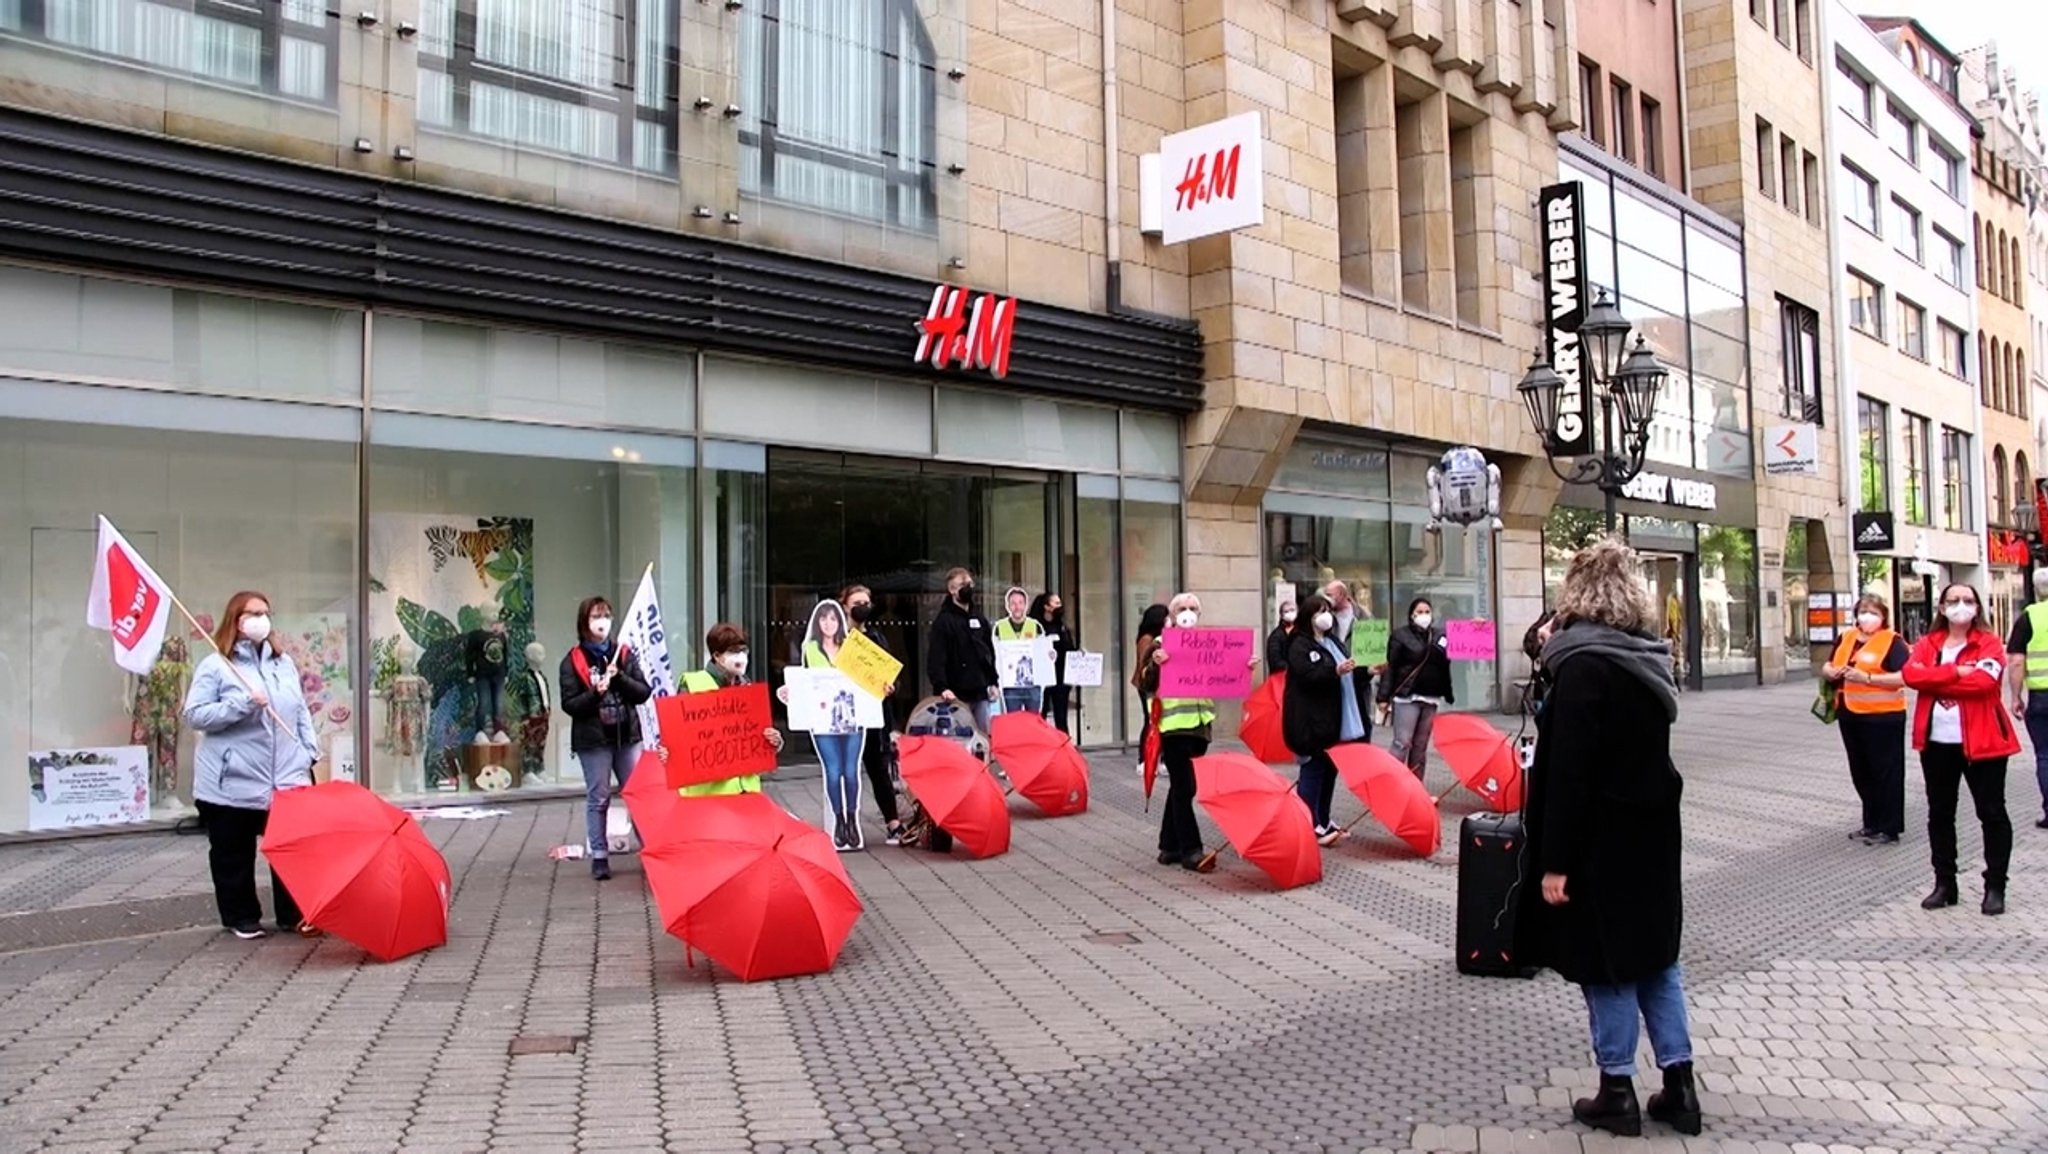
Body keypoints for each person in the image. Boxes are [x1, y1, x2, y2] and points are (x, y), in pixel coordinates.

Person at [1519, 538, 1698, 1138]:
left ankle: (1616, 1088)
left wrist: (1555, 861)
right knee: (1658, 960)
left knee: (1609, 963)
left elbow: (1569, 771)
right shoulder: (1649, 659)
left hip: (1600, 836)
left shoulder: (1583, 668)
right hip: (1652, 828)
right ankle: (1680, 1085)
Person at [183, 590, 321, 940]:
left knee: (294, 851)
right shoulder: (216, 665)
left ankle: (294, 914)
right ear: (236, 619)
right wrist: (241, 705)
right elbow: (195, 714)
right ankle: (240, 917)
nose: (261, 619)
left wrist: (308, 751)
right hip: (234, 780)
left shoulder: (282, 662)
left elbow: (299, 709)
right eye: (253, 612)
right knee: (233, 853)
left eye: (265, 612)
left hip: (287, 777)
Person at [1902, 583, 2019, 916]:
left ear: (1978, 607)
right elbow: (1911, 674)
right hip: (1937, 742)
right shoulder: (1929, 643)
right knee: (1940, 813)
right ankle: (1945, 884)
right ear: (1941, 608)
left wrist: (1933, 677)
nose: (1961, 606)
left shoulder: (1990, 643)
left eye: (1968, 600)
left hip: (1983, 743)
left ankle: (1995, 886)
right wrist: (1955, 671)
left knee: (1992, 813)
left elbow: (1984, 683)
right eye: (1953, 600)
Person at [560, 596, 653, 881]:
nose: (603, 622)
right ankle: (599, 855)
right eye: (596, 616)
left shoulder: (623, 654)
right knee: (598, 796)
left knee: (637, 795)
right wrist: (595, 693)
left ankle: (650, 851)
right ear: (584, 623)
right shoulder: (572, 660)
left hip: (627, 736)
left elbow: (642, 691)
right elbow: (570, 704)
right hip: (594, 739)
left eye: (607, 615)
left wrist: (619, 678)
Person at [1821, 595, 1909, 845]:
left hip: (1883, 716)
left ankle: (1889, 827)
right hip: (1850, 713)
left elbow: (1906, 676)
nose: (1866, 616)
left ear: (1883, 616)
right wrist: (1829, 671)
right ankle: (1870, 822)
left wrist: (1867, 679)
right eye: (1862, 611)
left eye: (1873, 612)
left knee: (1886, 772)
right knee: (1861, 771)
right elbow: (1828, 664)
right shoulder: (1846, 637)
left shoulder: (1892, 641)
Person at [1143, 593, 1217, 871]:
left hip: (1199, 725)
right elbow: (1145, 680)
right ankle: (1191, 850)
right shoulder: (1160, 644)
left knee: (1181, 786)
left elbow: (1224, 672)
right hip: (1173, 727)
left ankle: (1168, 847)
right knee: (1186, 787)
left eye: (1193, 608)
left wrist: (1242, 666)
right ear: (1172, 616)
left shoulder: (1208, 643)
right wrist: (1156, 664)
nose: (1188, 612)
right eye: (1182, 609)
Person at [1283, 592, 1362, 847]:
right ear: (1309, 617)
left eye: (1327, 610)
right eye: (1319, 611)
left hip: (1332, 718)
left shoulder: (1333, 642)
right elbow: (1308, 675)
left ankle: (1323, 819)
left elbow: (1347, 670)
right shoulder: (1299, 644)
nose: (1325, 616)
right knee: (1313, 770)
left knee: (1329, 770)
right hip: (1309, 720)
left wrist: (1365, 671)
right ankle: (1307, 823)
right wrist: (1334, 671)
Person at [678, 623, 785, 796]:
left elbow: (758, 737)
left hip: (746, 791)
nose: (741, 657)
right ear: (717, 656)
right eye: (734, 652)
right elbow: (680, 740)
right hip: (708, 795)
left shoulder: (747, 687)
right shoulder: (692, 685)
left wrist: (773, 741)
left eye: (744, 651)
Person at [841, 585, 908, 845]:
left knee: (878, 768)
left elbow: (891, 673)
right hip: (844, 713)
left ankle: (893, 822)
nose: (863, 606)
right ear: (845, 606)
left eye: (867, 601)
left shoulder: (877, 638)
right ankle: (845, 824)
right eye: (857, 602)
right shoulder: (835, 638)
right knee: (845, 770)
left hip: (873, 713)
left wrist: (892, 687)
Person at [800, 600, 866, 851]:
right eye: (823, 619)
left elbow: (867, 680)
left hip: (852, 717)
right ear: (817, 623)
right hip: (823, 719)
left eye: (833, 619)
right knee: (833, 770)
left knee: (851, 771)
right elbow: (803, 680)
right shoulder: (810, 649)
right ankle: (838, 820)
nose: (828, 624)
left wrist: (883, 687)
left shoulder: (853, 649)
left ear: (840, 622)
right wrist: (790, 691)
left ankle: (851, 817)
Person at [1380, 598, 1455, 779]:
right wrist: (1383, 697)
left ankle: (1416, 789)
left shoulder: (1439, 635)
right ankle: (1393, 783)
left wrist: (1477, 628)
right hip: (1407, 697)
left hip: (1430, 696)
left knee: (1420, 746)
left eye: (1427, 611)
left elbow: (1453, 654)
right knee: (1402, 743)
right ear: (1412, 615)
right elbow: (1392, 667)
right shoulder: (1400, 636)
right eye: (1419, 612)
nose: (1424, 615)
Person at [927, 567, 999, 743]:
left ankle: (982, 770)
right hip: (955, 694)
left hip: (980, 691)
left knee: (982, 740)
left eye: (970, 584)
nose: (968, 588)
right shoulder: (943, 622)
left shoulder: (979, 618)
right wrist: (942, 686)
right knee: (959, 740)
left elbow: (989, 652)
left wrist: (993, 681)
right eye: (962, 585)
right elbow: (936, 658)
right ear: (952, 589)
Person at [2002, 567, 2048, 831]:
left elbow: (2016, 661)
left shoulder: (2029, 617)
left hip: (2042, 697)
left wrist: (2016, 696)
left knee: (2045, 755)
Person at [1321, 578, 1377, 743]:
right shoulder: (1325, 617)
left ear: (1342, 595)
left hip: (1358, 679)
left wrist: (1370, 668)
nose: (1327, 598)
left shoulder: (1364, 617)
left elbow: (1372, 647)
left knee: (1361, 722)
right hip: (1334, 677)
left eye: (1330, 594)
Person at [1030, 592, 1078, 736]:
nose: (1060, 606)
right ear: (1046, 607)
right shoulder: (1036, 627)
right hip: (1042, 678)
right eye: (1056, 603)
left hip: (1061, 678)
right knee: (1040, 716)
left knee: (1061, 718)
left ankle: (1065, 750)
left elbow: (1069, 648)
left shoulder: (1062, 627)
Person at [1132, 602, 1169, 775]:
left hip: (1160, 684)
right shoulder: (1147, 639)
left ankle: (1159, 758)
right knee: (1150, 720)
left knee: (1158, 721)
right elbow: (1145, 665)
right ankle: (1144, 759)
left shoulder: (1162, 636)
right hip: (1148, 685)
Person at [995, 586, 1044, 716]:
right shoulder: (999, 628)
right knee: (1013, 721)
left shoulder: (1035, 626)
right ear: (1008, 606)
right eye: (1013, 603)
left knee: (1034, 722)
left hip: (1032, 684)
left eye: (1020, 603)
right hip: (1011, 685)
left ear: (1026, 605)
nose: (1017, 607)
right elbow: (995, 654)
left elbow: (1043, 653)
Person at [1265, 597, 1297, 677]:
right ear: (1281, 615)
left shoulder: (1302, 632)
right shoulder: (1276, 636)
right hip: (1282, 679)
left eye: (1292, 610)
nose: (1290, 613)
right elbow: (1275, 661)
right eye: (1286, 611)